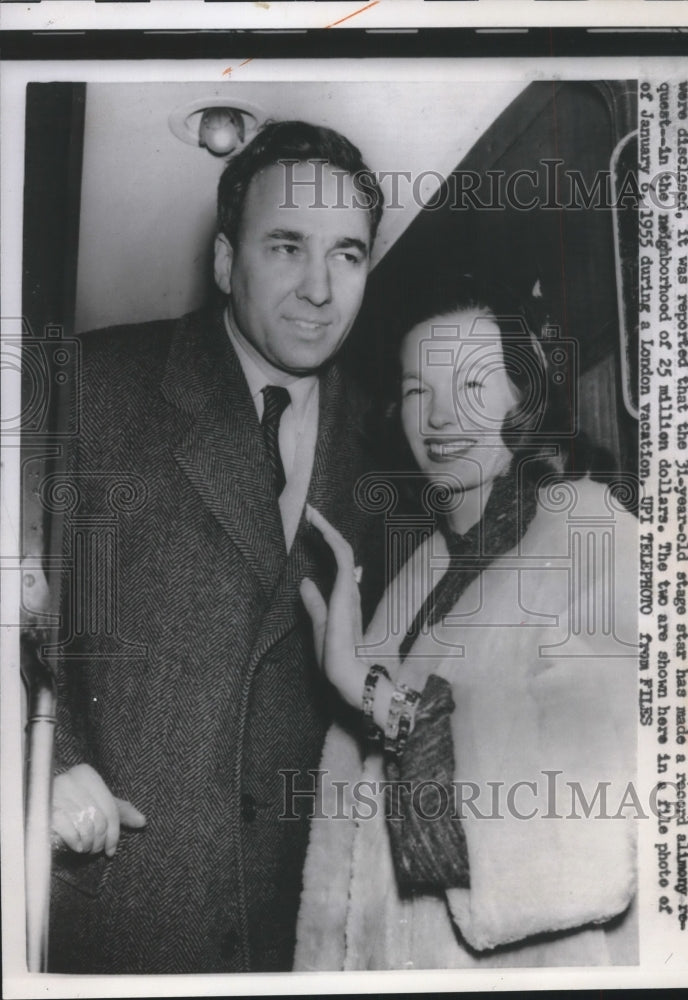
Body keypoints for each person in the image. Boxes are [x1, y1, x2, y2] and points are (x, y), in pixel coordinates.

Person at [47, 121, 385, 973]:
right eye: (286, 247)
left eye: (347, 255)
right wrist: (44, 759)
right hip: (124, 908)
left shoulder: (386, 440)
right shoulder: (95, 385)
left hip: (293, 935)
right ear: (227, 261)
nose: (318, 289)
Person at [294, 275, 638, 969]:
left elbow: (599, 818)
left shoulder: (589, 530)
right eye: (418, 390)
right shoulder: (410, 582)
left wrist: (371, 696)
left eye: (472, 384)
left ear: (525, 396)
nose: (439, 417)